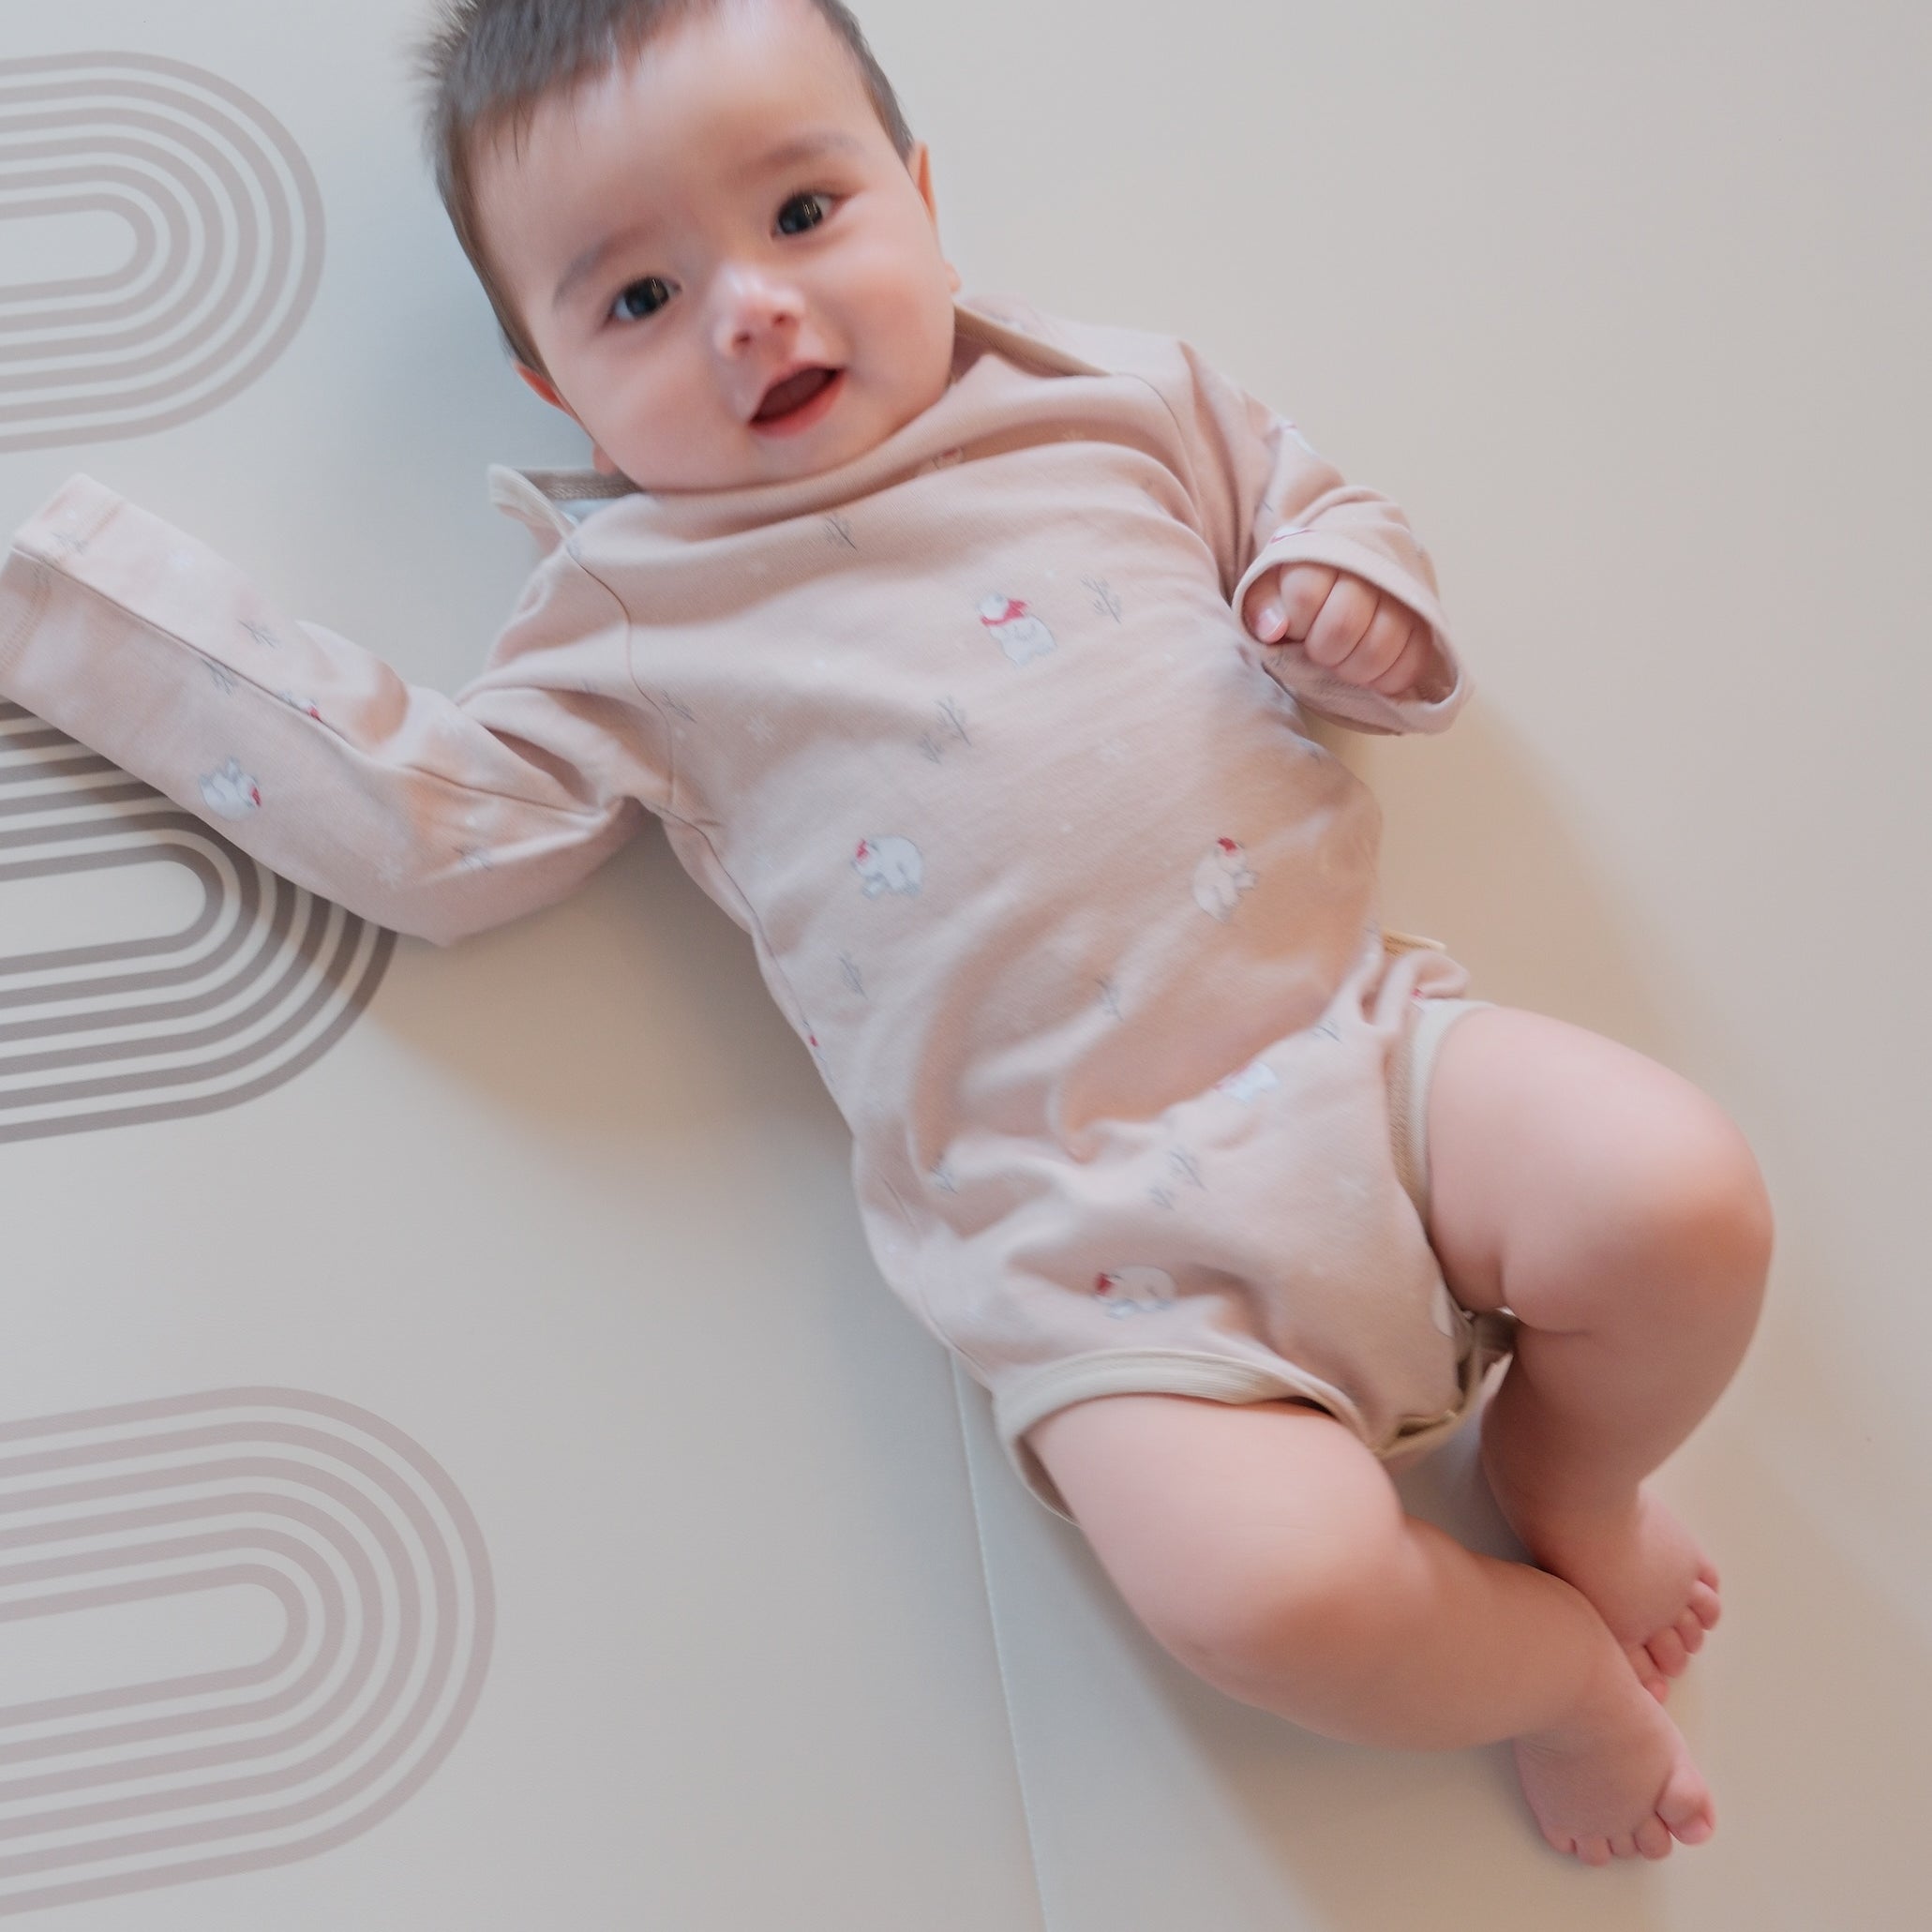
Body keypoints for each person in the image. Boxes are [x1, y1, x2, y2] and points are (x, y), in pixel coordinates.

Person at [0, 0, 1772, 1865]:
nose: (750, 312)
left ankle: (1568, 1473)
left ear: (919, 198)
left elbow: (1317, 523)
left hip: (1367, 1058)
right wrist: (76, 615)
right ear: (551, 385)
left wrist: (1354, 607)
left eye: (801, 213)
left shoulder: (1111, 397)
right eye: (637, 300)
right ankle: (1542, 1673)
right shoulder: (628, 613)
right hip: (1086, 1248)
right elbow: (439, 828)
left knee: (1678, 1200)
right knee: (1266, 1594)